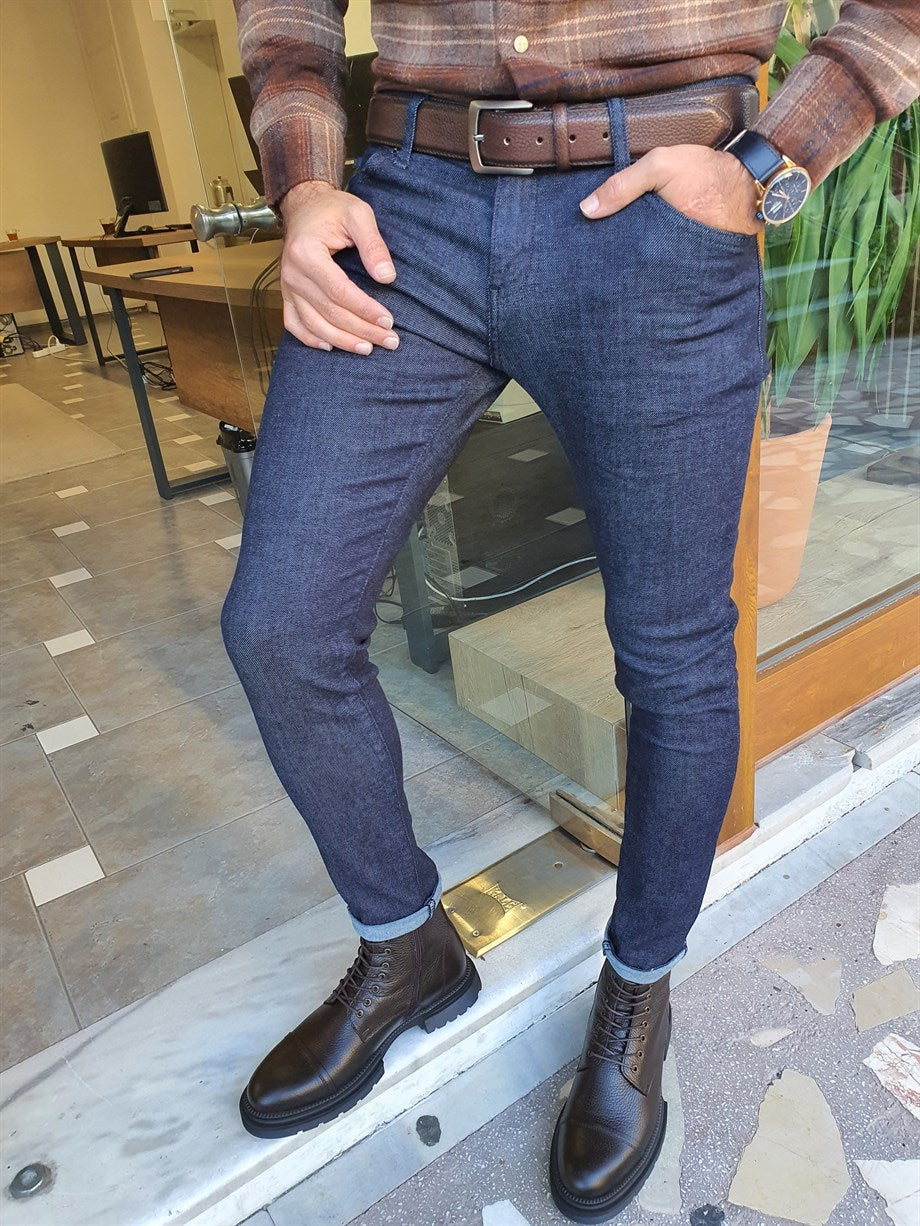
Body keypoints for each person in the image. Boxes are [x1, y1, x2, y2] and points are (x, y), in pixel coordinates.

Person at [224, 1, 919, 1218]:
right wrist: (304, 180)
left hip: (655, 197)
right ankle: (405, 942)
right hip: (403, 210)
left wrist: (770, 158)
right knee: (278, 623)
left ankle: (636, 984)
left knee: (671, 655)